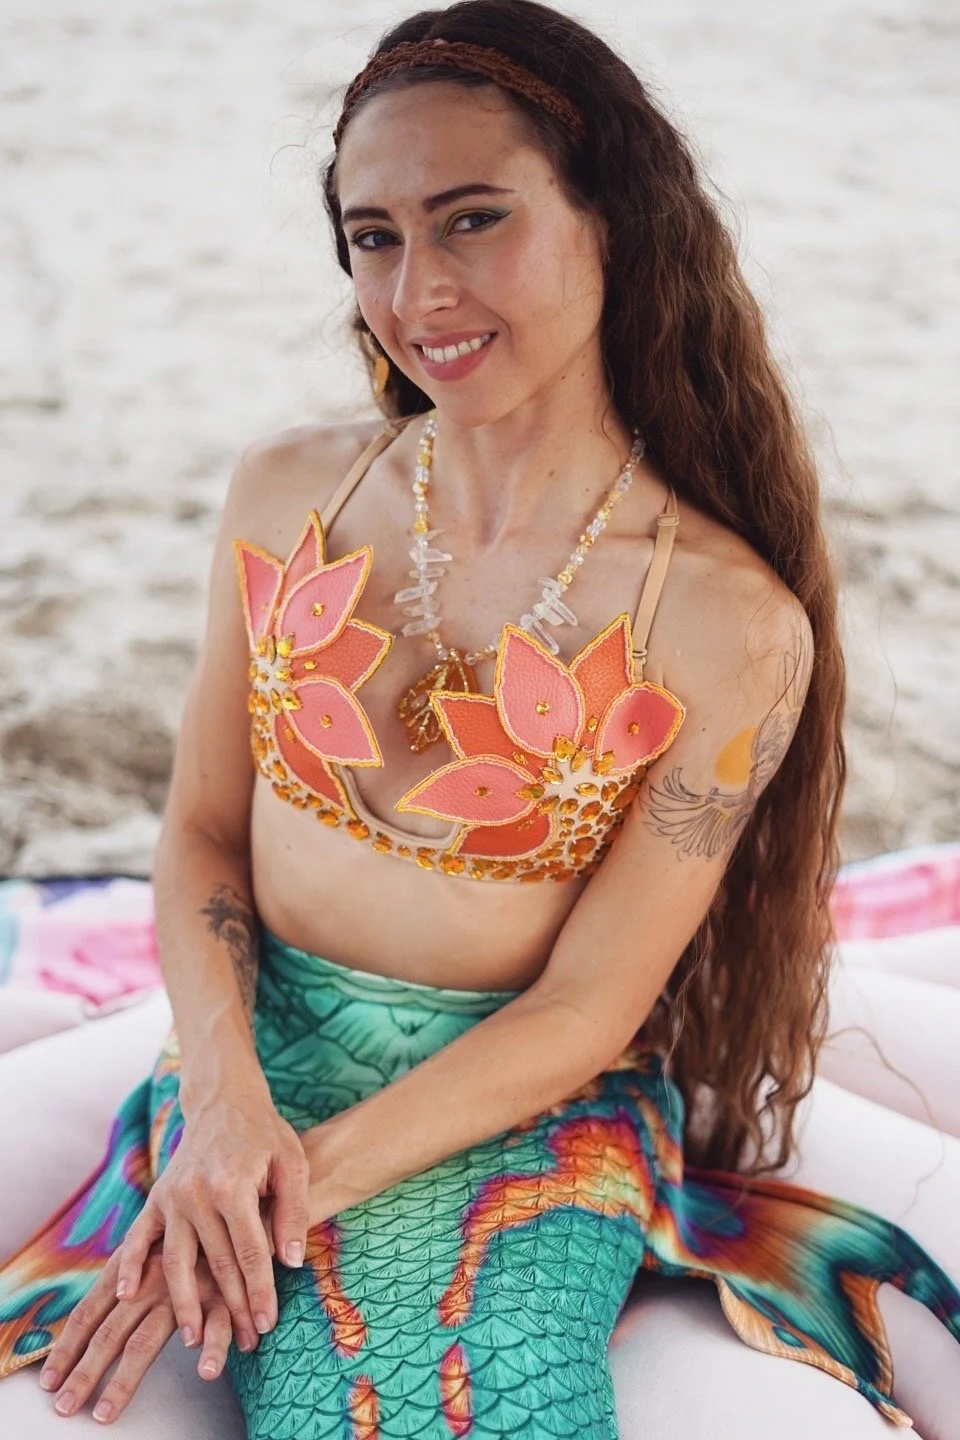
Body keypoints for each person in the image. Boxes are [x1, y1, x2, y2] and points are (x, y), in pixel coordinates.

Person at [0, 1, 957, 1435]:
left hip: (516, 1102)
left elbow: (585, 1008)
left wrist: (281, 1187)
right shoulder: (290, 492)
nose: (420, 288)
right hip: (247, 1051)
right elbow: (201, 834)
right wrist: (223, 1108)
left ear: (615, 221)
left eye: (472, 219)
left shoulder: (726, 622)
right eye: (374, 236)